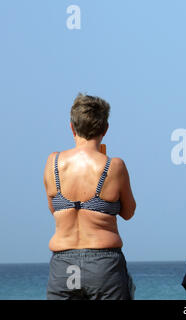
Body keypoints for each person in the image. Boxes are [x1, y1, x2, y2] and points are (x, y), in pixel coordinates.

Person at [43, 93, 136, 300]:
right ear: (105, 129)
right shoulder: (114, 166)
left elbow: (54, 210)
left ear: (72, 127)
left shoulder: (53, 163)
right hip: (103, 265)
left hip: (63, 264)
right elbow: (128, 212)